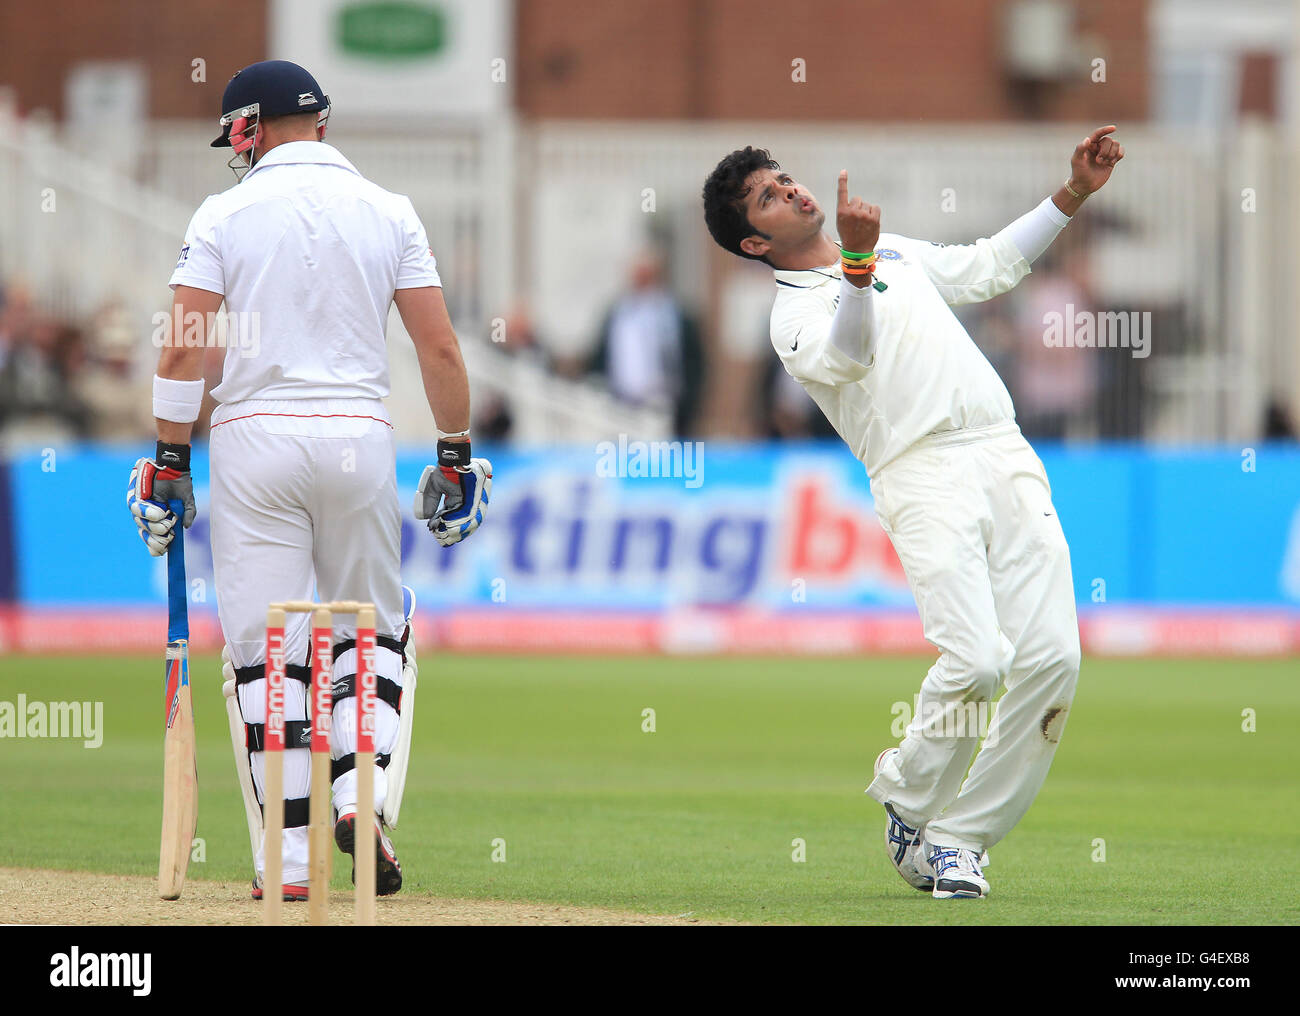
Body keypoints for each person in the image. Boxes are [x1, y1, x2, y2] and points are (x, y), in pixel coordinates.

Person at [701, 127, 1124, 899]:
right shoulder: (790, 319)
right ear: (756, 243)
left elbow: (989, 265)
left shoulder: (890, 250)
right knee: (979, 661)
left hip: (1002, 450)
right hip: (919, 472)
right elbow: (850, 357)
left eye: (784, 176)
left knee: (1055, 659)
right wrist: (857, 266)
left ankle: (960, 839)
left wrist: (1074, 193)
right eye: (769, 196)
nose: (793, 190)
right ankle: (908, 794)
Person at [125, 60, 492, 902]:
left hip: (255, 439)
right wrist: (455, 453)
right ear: (320, 122)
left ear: (248, 129)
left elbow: (183, 345)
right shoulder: (389, 210)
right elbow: (439, 349)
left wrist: (171, 461)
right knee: (373, 633)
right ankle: (363, 800)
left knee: (266, 653)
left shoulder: (224, 213)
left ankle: (290, 864)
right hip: (360, 436)